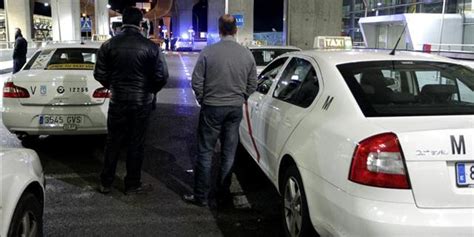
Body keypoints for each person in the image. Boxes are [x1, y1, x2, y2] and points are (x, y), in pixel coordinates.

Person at [184, 14, 257, 207]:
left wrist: (202, 99)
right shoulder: (246, 54)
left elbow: (197, 80)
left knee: (205, 152)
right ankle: (223, 195)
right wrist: (241, 97)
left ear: (219, 30)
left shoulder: (208, 52)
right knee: (228, 153)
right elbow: (253, 84)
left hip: (212, 107)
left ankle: (201, 196)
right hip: (234, 109)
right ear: (235, 30)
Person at [94, 7, 168, 195]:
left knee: (113, 142)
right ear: (140, 23)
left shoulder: (109, 45)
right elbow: (162, 75)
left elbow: (99, 73)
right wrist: (149, 90)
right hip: (141, 102)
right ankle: (132, 184)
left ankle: (106, 182)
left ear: (122, 22)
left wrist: (113, 85)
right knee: (136, 143)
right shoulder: (151, 47)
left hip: (117, 100)